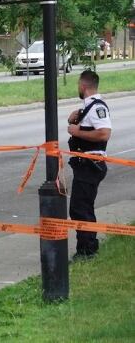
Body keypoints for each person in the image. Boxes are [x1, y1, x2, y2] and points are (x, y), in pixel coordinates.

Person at [67, 70, 111, 260]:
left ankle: (87, 251)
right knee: (82, 207)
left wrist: (77, 132)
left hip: (91, 164)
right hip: (85, 164)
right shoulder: (88, 107)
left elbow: (104, 133)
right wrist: (75, 119)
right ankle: (86, 248)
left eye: (78, 84)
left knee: (80, 209)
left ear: (83, 86)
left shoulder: (97, 108)